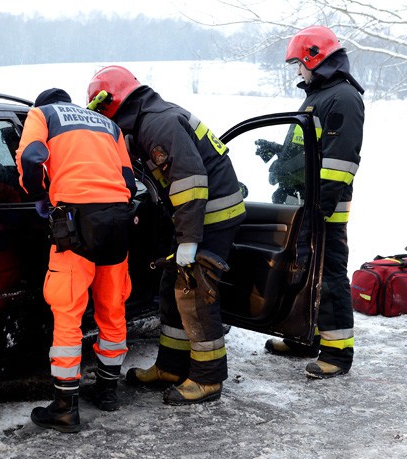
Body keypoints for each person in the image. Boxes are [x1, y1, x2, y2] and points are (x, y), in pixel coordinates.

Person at [86, 66, 245, 405]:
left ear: (111, 103)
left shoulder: (158, 124)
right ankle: (171, 367)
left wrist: (188, 240)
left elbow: (189, 182)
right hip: (191, 216)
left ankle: (207, 378)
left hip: (211, 214)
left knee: (195, 291)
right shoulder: (145, 121)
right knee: (171, 288)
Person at [16, 88, 137, 432]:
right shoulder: (106, 124)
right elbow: (128, 179)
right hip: (117, 219)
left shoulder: (43, 116)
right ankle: (108, 391)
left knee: (68, 310)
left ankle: (65, 407)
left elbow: (31, 158)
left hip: (75, 221)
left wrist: (40, 197)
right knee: (113, 306)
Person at [263, 25, 365, 379]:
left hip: (325, 209)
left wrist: (319, 210)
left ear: (314, 58)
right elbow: (314, 149)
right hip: (309, 203)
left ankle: (337, 354)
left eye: (298, 64)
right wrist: (281, 154)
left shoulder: (343, 98)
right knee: (305, 272)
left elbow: (340, 163)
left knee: (328, 275)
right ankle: (304, 338)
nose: (297, 71)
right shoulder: (320, 95)